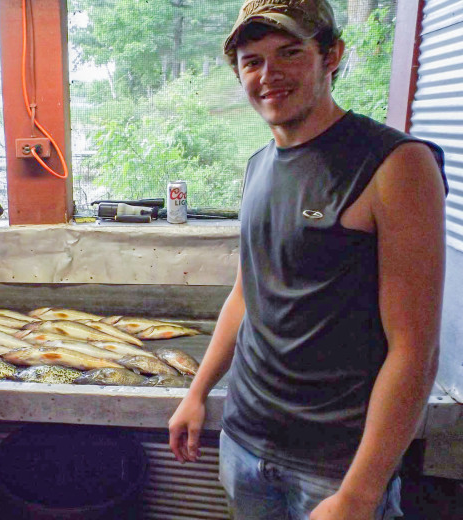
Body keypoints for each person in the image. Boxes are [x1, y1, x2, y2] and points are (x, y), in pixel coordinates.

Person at [168, 1, 447, 519]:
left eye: (290, 53)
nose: (268, 76)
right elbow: (246, 294)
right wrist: (198, 391)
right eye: (252, 61)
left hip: (336, 465)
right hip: (246, 440)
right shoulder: (258, 167)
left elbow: (415, 350)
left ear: (332, 55)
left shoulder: (396, 164)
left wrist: (360, 494)